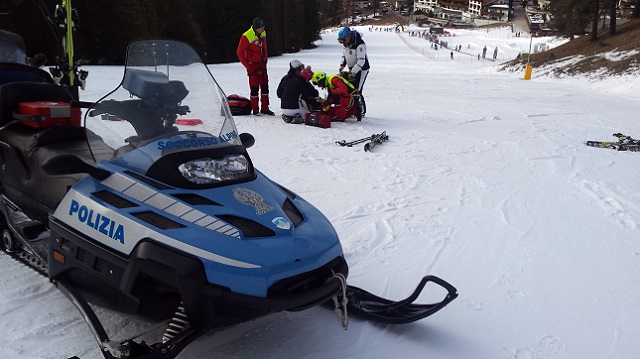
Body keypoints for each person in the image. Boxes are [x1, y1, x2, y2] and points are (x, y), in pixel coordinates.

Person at [237, 17, 274, 116]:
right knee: (254, 88)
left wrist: (265, 61)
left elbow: (264, 48)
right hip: (252, 65)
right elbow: (239, 52)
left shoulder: (263, 33)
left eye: (263, 28)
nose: (263, 30)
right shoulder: (246, 36)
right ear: (256, 28)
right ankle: (255, 109)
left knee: (265, 86)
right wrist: (248, 66)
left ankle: (265, 108)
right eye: (261, 28)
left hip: (262, 64)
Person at [337, 26, 369, 115]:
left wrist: (353, 72)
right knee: (350, 88)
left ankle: (360, 110)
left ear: (349, 36)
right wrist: (342, 65)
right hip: (352, 69)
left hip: (362, 69)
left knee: (357, 90)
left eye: (343, 40)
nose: (343, 43)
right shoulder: (346, 44)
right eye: (340, 41)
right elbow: (344, 55)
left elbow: (361, 60)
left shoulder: (360, 44)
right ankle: (352, 109)